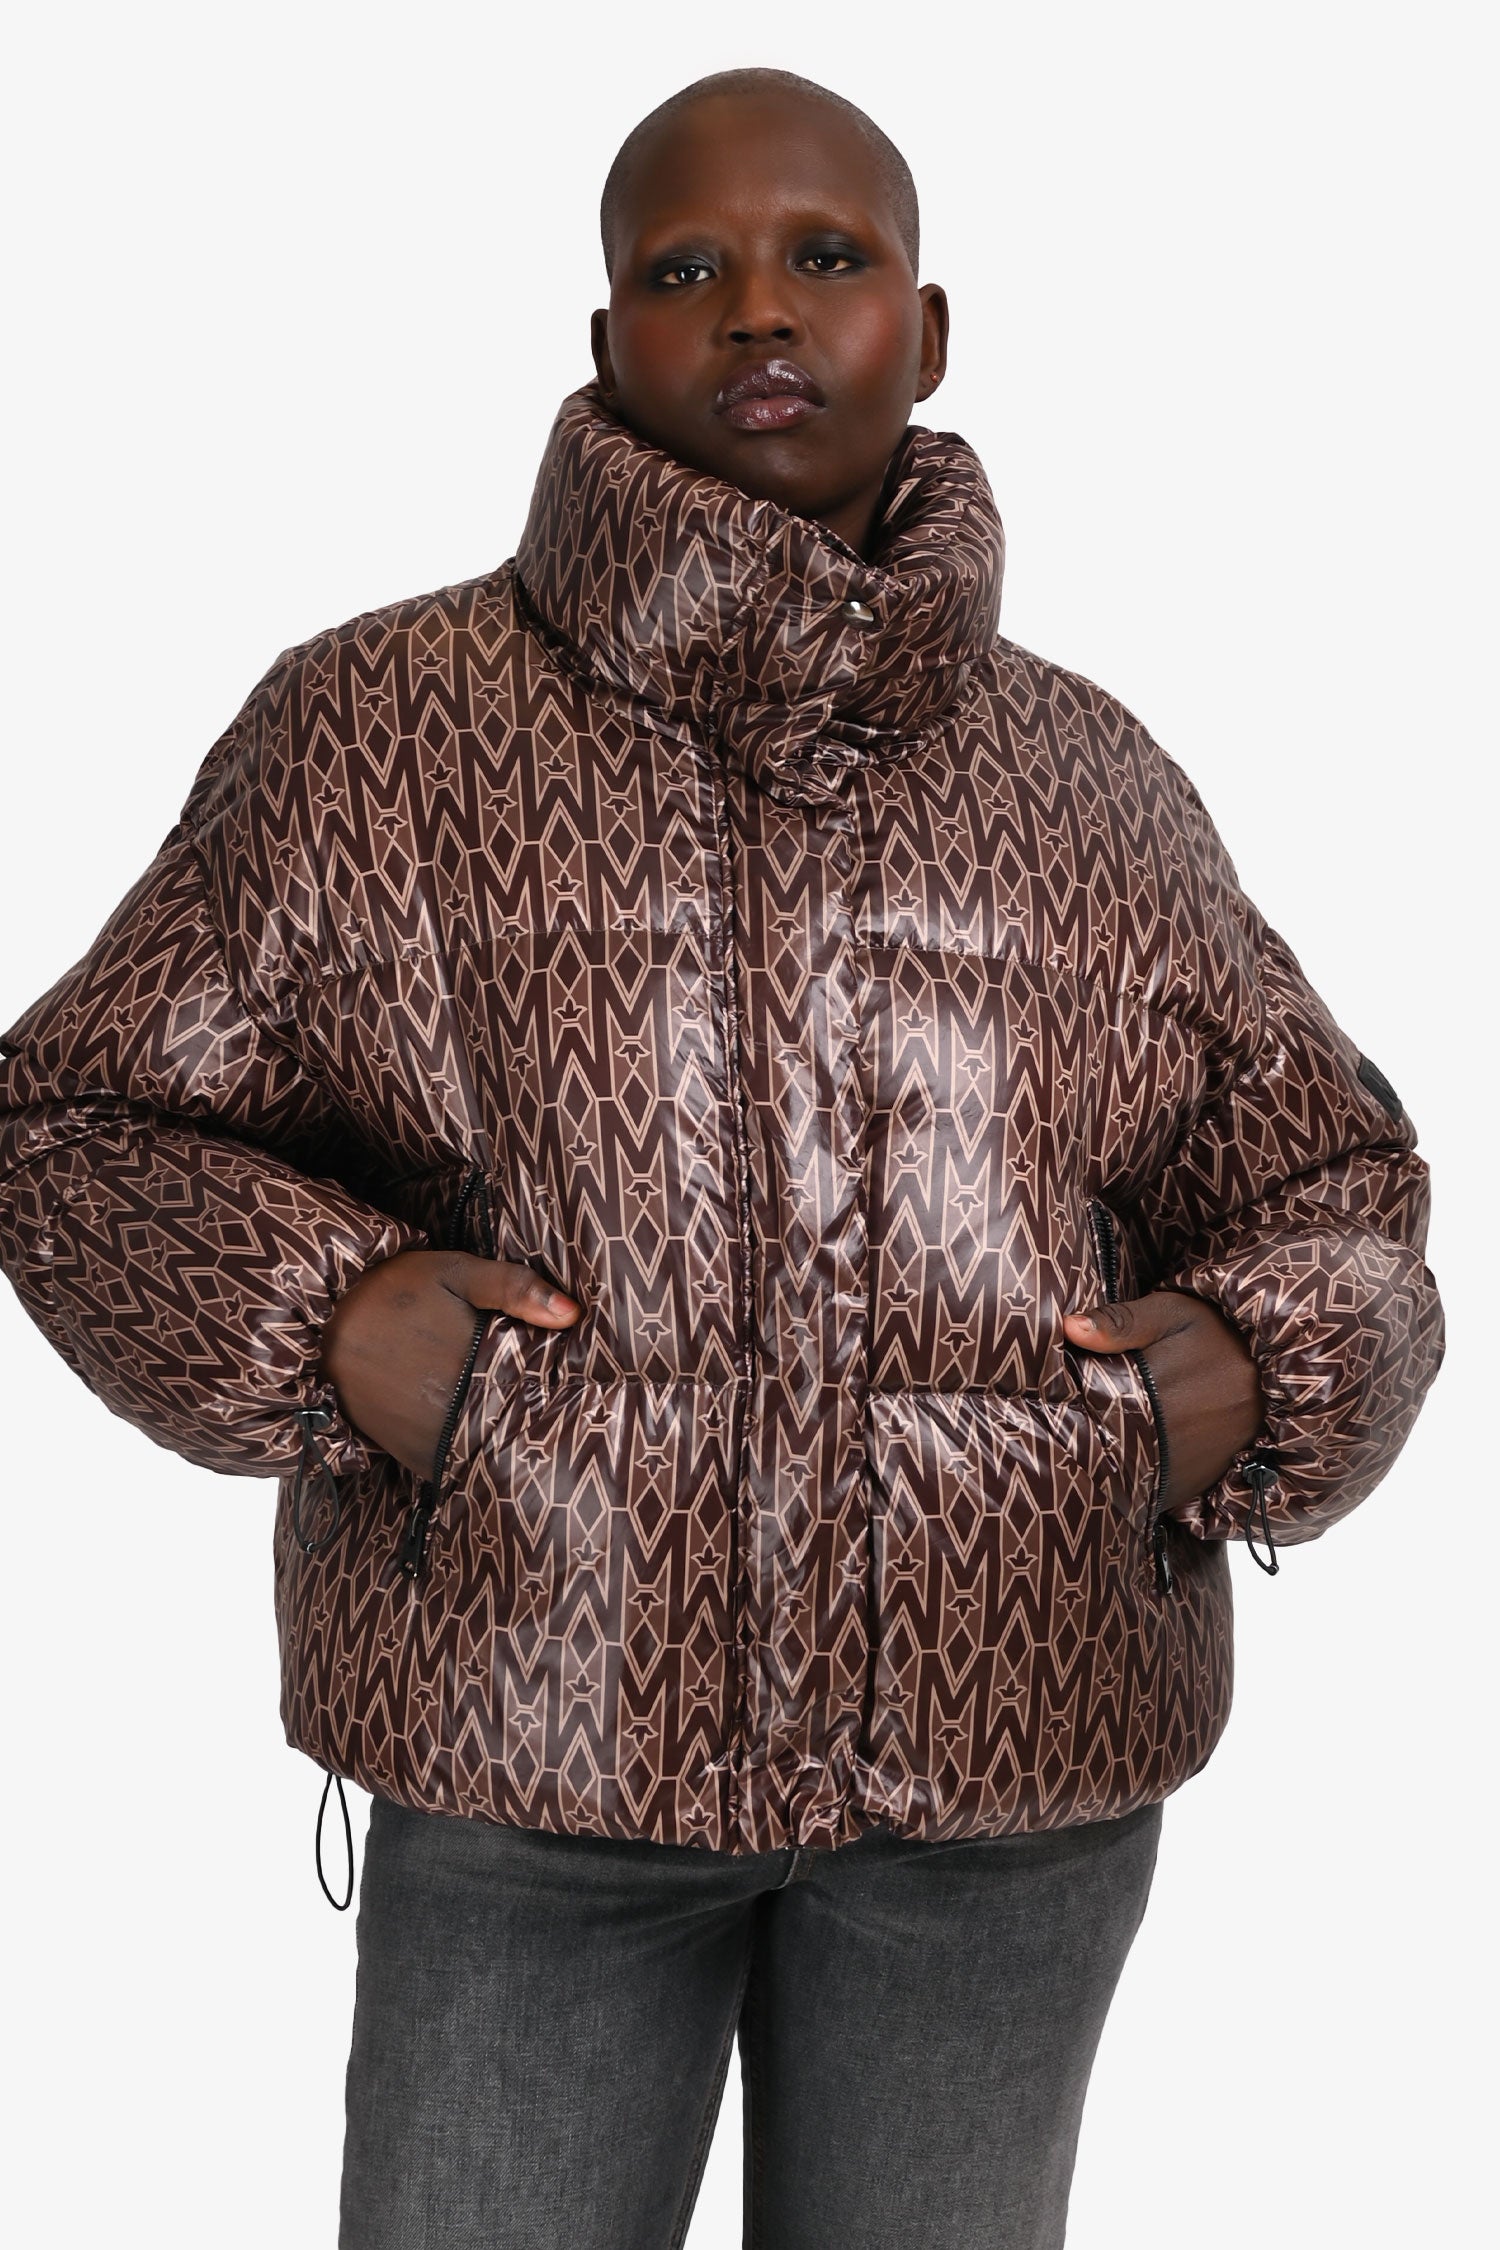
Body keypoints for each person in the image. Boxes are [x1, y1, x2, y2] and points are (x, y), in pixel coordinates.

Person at [0, 64, 1443, 2250]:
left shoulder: (1094, 780)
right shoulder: (375, 731)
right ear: (606, 341)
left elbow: (1337, 1180)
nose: (759, 308)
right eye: (687, 269)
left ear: (927, 329)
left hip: (1010, 1770)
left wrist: (1255, 1366)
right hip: (534, 1738)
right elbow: (80, 1117)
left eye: (824, 258)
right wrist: (339, 1322)